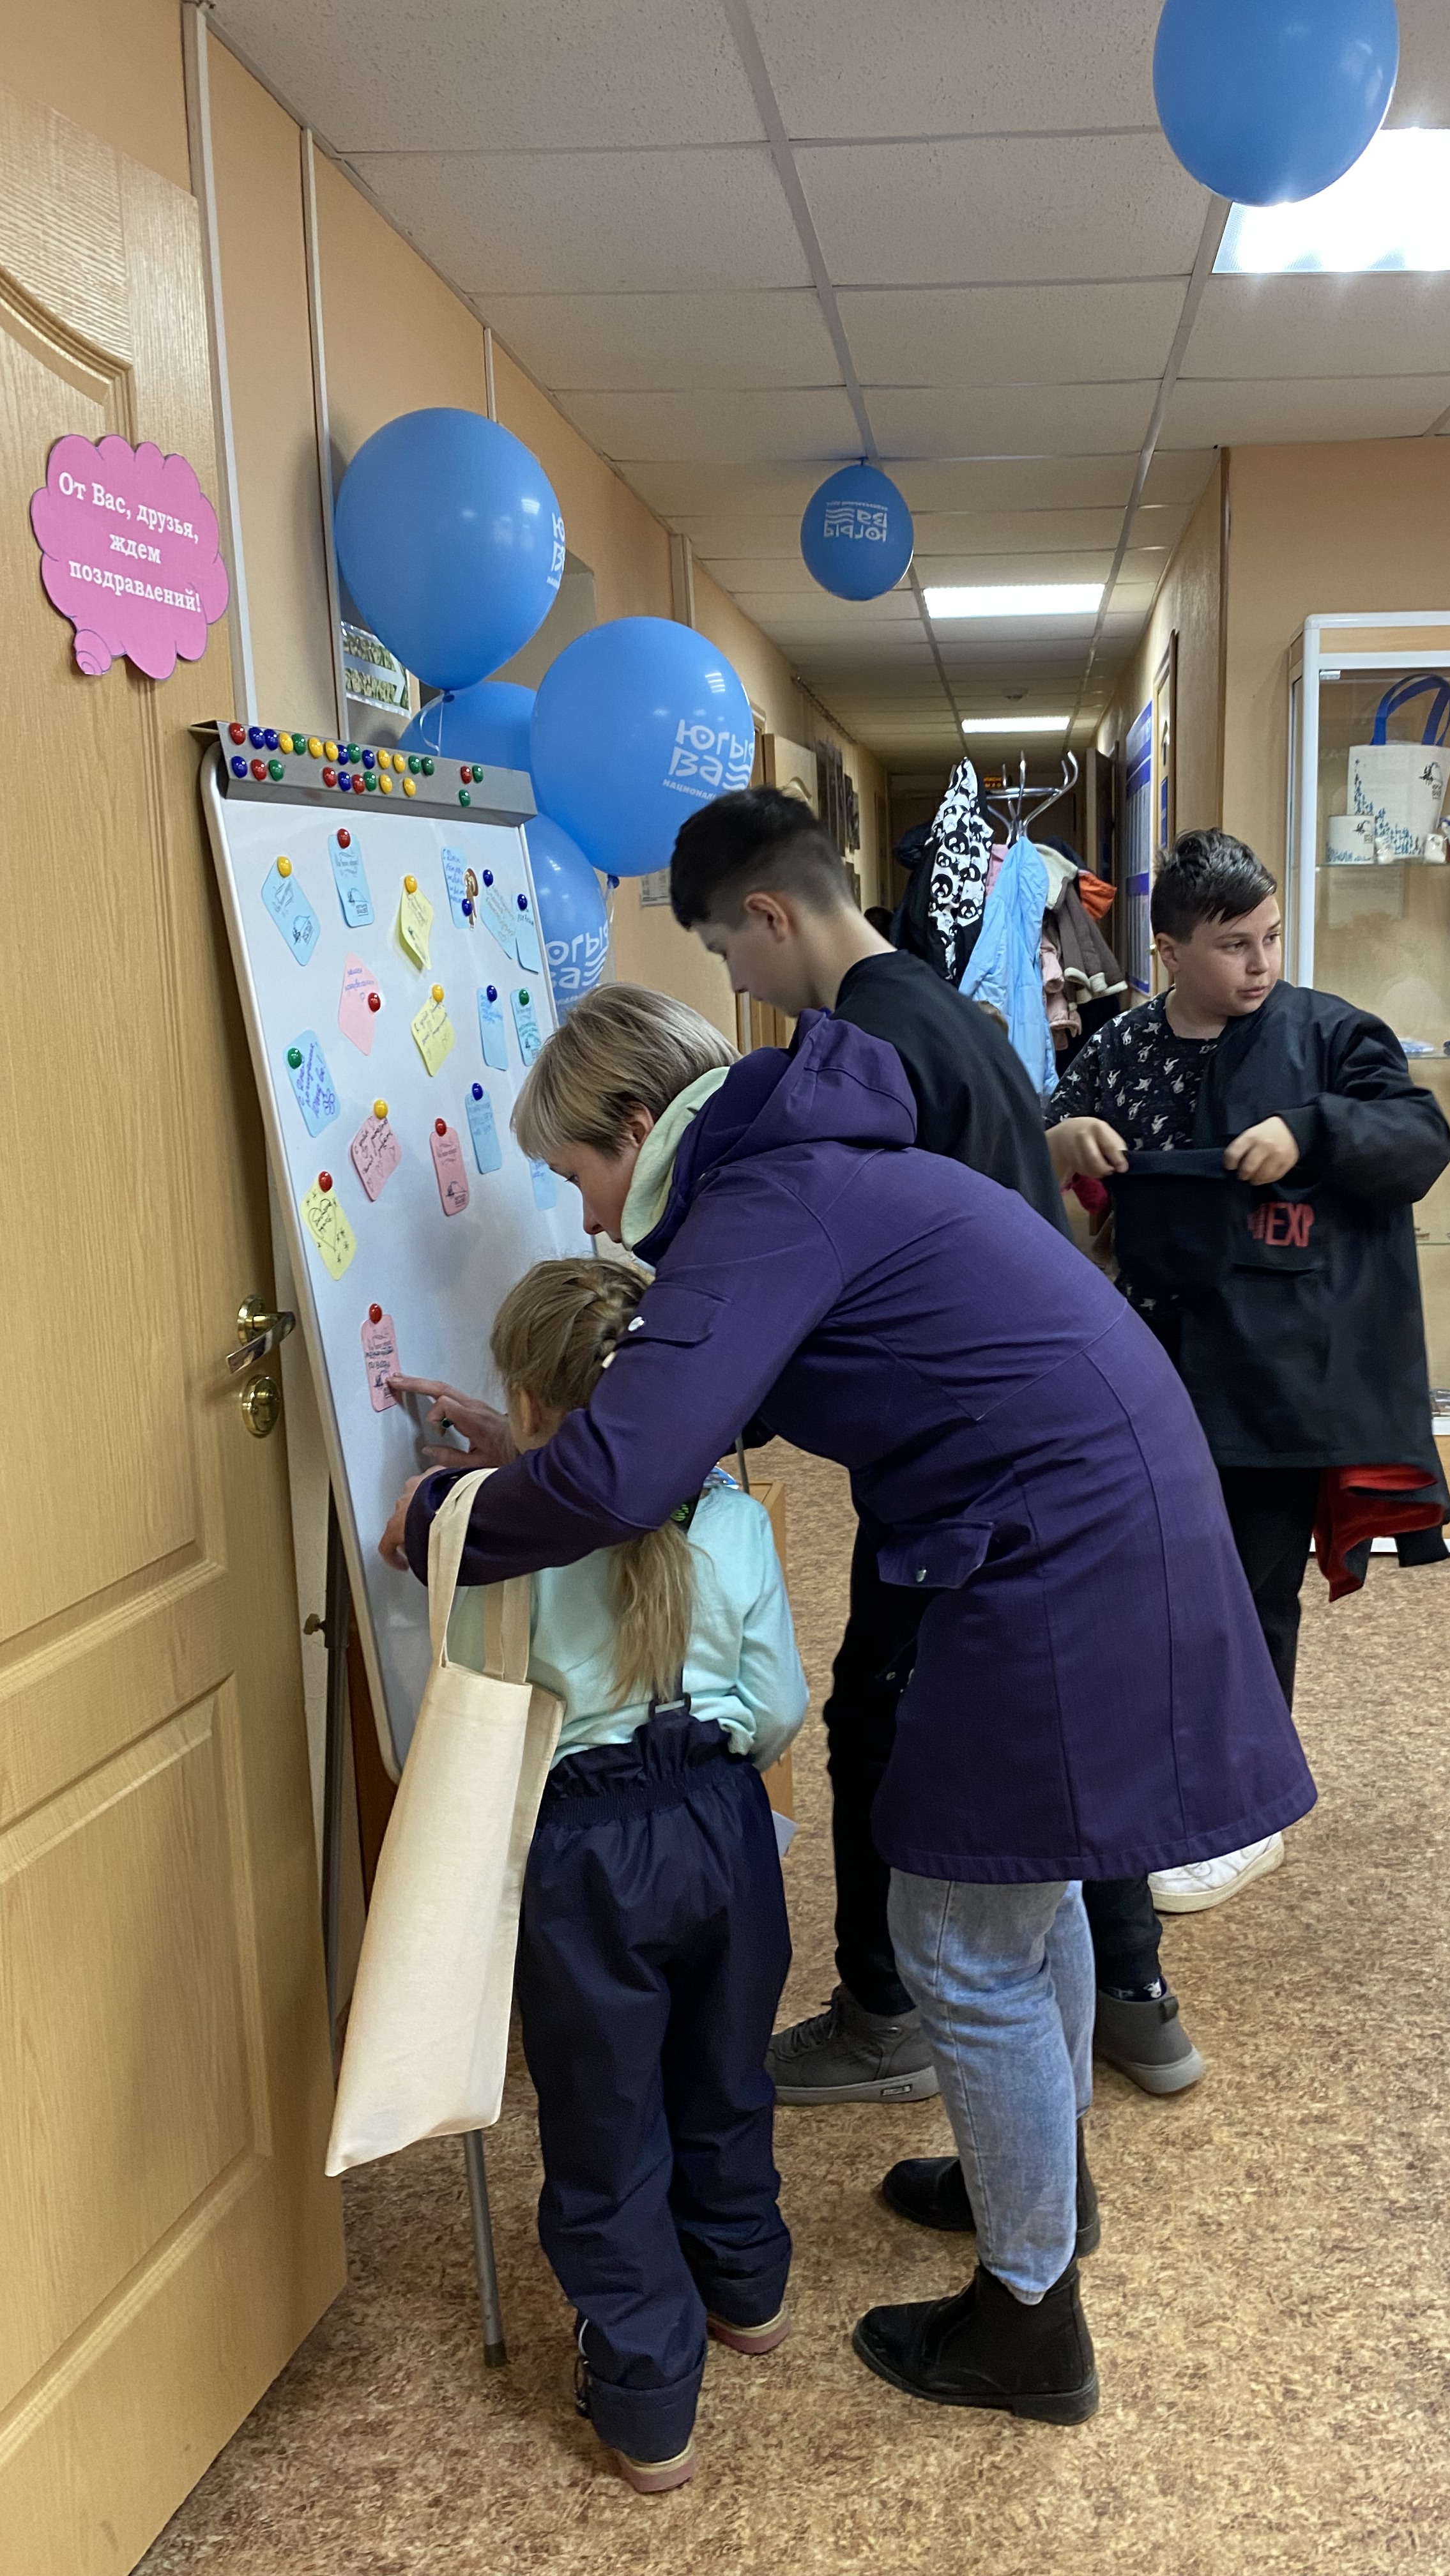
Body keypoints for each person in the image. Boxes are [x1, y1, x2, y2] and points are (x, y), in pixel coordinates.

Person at [380, 986, 1316, 2424]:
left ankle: (1029, 2320)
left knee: (962, 1934)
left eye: (578, 1173)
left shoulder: (761, 1206)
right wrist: (526, 1448)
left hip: (1058, 1547)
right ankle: (1043, 2190)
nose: (584, 1214)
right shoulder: (809, 1172)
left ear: (636, 1125)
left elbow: (630, 1475)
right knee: (1032, 1893)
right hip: (1101, 1512)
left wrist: (449, 1514)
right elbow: (684, 1423)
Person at [666, 786, 1203, 2103]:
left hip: (972, 1461)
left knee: (884, 1722)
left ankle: (886, 2013)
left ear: (770, 914)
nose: (738, 982)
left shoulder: (865, 1050)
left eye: (727, 950)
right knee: (1052, 1738)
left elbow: (830, 1267)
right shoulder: (950, 1014)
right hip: (1038, 1432)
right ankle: (1131, 1991)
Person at [438, 1255, 807, 2498]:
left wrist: (467, 1495)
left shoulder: (501, 1536)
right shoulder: (735, 1519)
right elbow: (776, 1708)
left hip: (584, 1851)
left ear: (527, 1403)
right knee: (726, 2070)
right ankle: (748, 2289)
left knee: (606, 2121)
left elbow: (476, 1702)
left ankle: (649, 2401)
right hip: (722, 1825)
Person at [1049, 829, 1450, 1914]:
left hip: (1276, 1377)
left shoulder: (1328, 1035)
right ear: (1170, 949)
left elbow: (1419, 1138)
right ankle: (1164, 1778)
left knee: (1246, 1591)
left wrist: (1312, 1132)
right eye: (1234, 945)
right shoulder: (1122, 1048)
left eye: (1271, 937)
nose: (1261, 962)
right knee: (1150, 1587)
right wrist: (1064, 1141)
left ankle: (1249, 1808)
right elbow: (1033, 1147)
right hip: (1139, 1368)